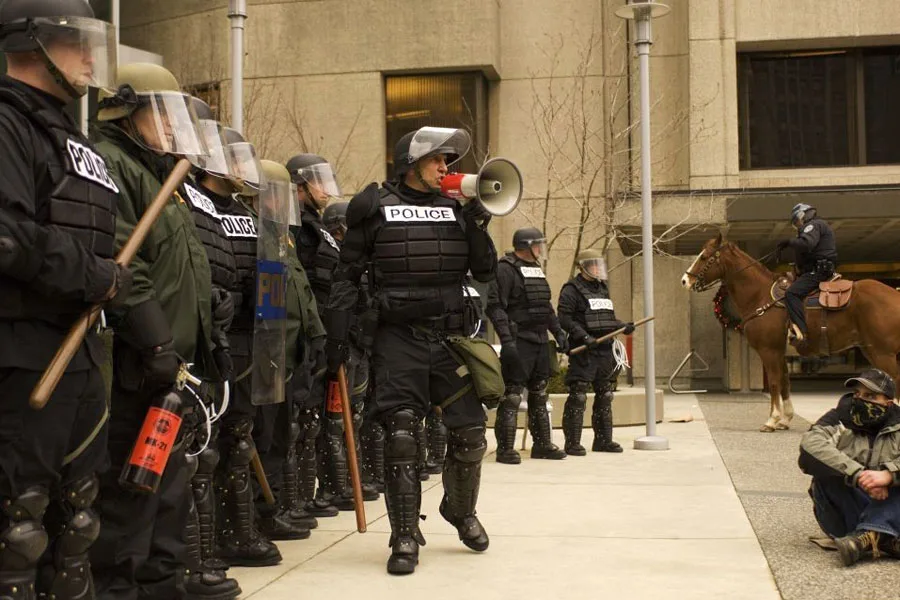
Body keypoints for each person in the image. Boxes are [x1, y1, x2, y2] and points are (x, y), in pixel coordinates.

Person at [324, 126, 497, 574]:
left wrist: (477, 222)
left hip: (448, 340)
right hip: (396, 339)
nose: (445, 167)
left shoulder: (457, 209)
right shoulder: (373, 205)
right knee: (402, 435)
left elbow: (484, 270)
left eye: (448, 161)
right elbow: (346, 276)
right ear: (411, 162)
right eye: (437, 159)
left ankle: (459, 510)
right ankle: (403, 535)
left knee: (471, 434)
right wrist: (336, 340)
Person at [89, 62, 233, 599]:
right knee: (130, 490)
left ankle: (162, 583)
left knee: (167, 487)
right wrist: (155, 340)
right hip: (134, 359)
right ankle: (121, 589)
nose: (174, 127)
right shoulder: (112, 163)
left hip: (172, 363)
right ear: (126, 112)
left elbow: (178, 261)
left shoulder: (162, 176)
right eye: (163, 114)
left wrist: (208, 312)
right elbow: (126, 262)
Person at [0, 2, 126, 597]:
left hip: (80, 350)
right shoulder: (7, 123)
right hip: (22, 349)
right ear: (34, 41)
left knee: (78, 518)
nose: (90, 58)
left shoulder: (77, 141)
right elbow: (8, 236)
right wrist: (95, 275)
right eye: (77, 42)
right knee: (18, 522)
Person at [209, 132, 304, 568]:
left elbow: (275, 284)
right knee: (221, 445)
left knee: (247, 438)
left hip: (262, 340)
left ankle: (247, 525)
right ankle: (221, 535)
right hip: (224, 339)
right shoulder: (204, 208)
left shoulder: (251, 219)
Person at [285, 154, 350, 514]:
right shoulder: (294, 225)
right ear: (300, 185)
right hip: (304, 332)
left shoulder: (318, 226)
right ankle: (293, 499)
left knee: (315, 421)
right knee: (299, 422)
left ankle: (310, 495)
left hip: (325, 332)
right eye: (318, 181)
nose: (326, 188)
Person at [799, 368, 900, 567]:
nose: (860, 400)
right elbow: (809, 446)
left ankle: (865, 538)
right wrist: (857, 474)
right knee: (826, 471)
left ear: (888, 403)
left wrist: (890, 475)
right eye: (857, 394)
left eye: (870, 396)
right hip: (845, 512)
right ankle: (884, 536)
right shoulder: (839, 417)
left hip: (890, 505)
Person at [486, 227, 569, 464]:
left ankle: (542, 445)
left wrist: (558, 333)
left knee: (539, 393)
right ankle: (505, 449)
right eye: (537, 244)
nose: (541, 249)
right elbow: (495, 307)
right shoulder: (505, 269)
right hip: (519, 340)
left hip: (540, 339)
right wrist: (507, 341)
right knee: (513, 395)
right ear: (526, 246)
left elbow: (545, 306)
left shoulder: (535, 268)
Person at [557, 249, 634, 455]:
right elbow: (564, 318)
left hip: (604, 349)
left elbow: (606, 318)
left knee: (605, 394)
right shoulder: (571, 289)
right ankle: (572, 443)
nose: (597, 268)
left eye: (598, 264)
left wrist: (622, 326)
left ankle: (603, 441)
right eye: (593, 264)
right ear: (582, 267)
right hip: (584, 351)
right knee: (578, 395)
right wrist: (583, 336)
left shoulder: (602, 288)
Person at [775, 203, 837, 344]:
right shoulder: (818, 225)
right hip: (818, 269)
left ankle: (802, 332)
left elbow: (807, 244)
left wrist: (789, 242)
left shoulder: (813, 225)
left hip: (818, 272)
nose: (797, 225)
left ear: (802, 215)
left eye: (796, 221)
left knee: (791, 293)